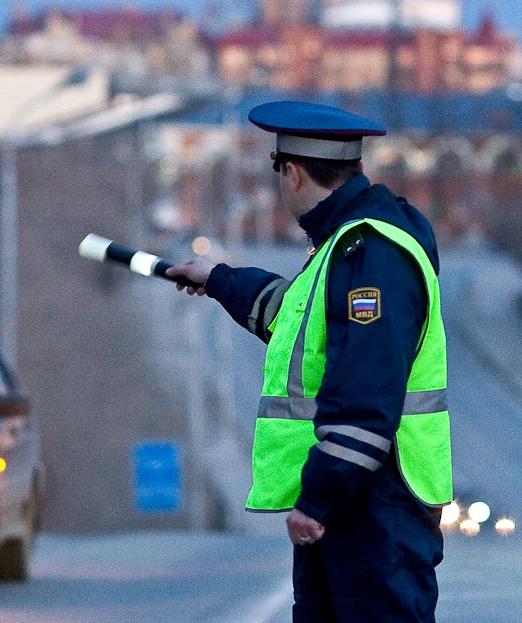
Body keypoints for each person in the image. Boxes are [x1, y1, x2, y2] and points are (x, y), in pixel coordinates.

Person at [166, 101, 452, 622]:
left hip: (373, 507)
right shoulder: (346, 245)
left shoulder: (370, 253)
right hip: (358, 506)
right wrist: (220, 280)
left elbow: (367, 394)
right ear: (355, 168)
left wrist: (318, 498)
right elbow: (297, 320)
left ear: (292, 174)